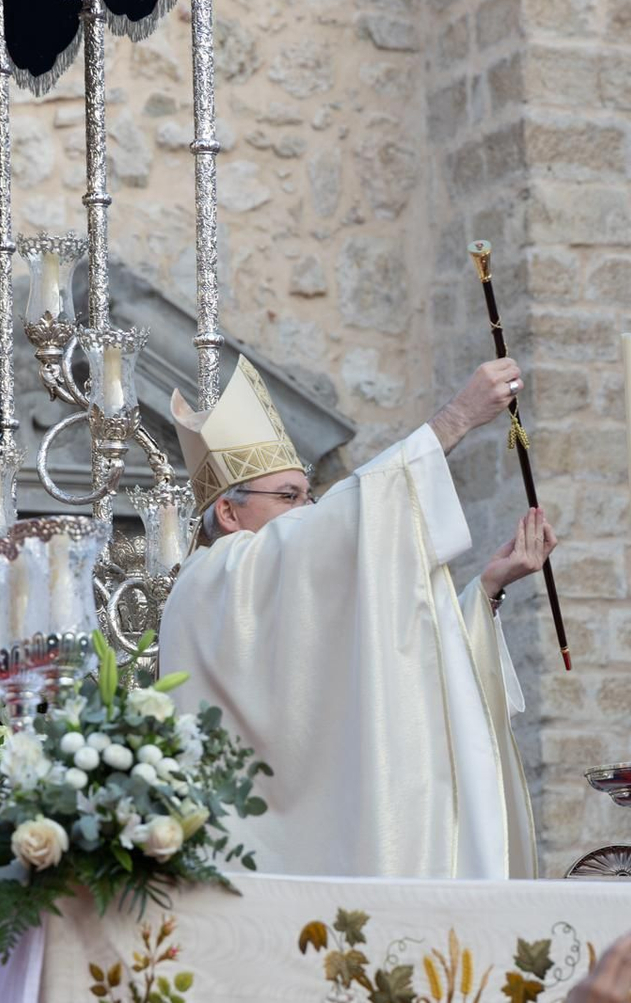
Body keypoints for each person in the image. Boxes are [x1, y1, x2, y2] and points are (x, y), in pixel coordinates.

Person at [158, 356, 554, 878]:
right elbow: (333, 528)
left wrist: (486, 590)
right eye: (287, 497)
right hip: (242, 863)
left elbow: (388, 653)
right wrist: (456, 417)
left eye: (308, 497)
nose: (304, 512)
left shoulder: (281, 577)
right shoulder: (209, 581)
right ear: (229, 513)